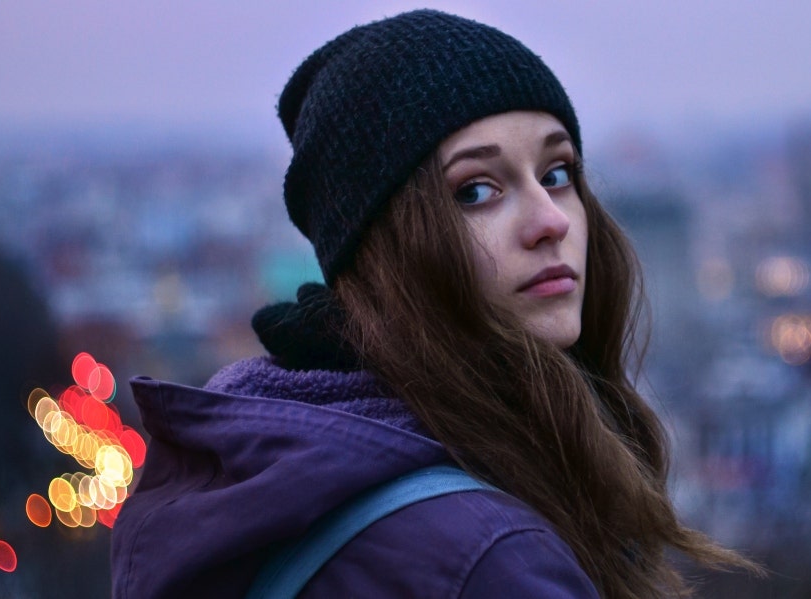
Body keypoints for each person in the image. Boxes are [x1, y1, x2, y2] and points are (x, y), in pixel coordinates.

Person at [110, 9, 761, 598]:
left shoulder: (268, 465)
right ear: (387, 246)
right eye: (476, 190)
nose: (550, 220)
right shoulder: (487, 559)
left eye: (557, 174)